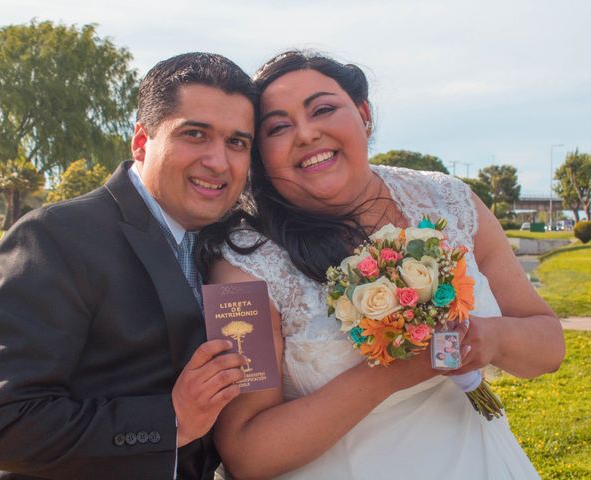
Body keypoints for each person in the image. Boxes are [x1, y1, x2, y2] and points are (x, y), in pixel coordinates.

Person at [201, 51, 565, 479]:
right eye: (278, 127)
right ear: (261, 153)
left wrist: (492, 339)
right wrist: (396, 372)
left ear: (363, 113)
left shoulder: (450, 200)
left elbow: (549, 347)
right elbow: (247, 452)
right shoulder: (240, 265)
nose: (306, 133)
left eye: (323, 109)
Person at [0, 52, 256, 480]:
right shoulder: (54, 237)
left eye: (237, 142)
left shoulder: (230, 242)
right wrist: (169, 418)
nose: (218, 161)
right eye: (194, 134)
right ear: (141, 141)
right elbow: (1, 428)